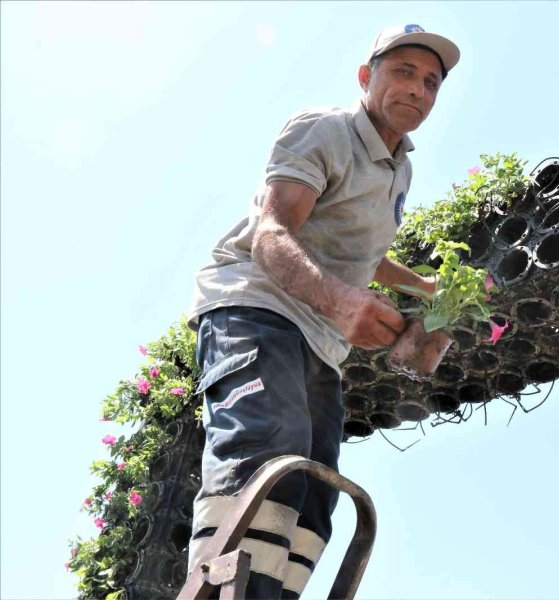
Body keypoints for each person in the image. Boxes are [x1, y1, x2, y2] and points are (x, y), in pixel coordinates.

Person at [185, 24, 460, 598]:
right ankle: (225, 588)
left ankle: (273, 592)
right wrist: (339, 300)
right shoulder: (325, 130)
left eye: (431, 82)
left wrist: (425, 291)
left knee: (316, 492)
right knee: (267, 445)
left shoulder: (399, 170)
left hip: (320, 342)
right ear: (367, 76)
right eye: (403, 72)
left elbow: (365, 250)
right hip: (256, 307)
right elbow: (272, 233)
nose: (418, 90)